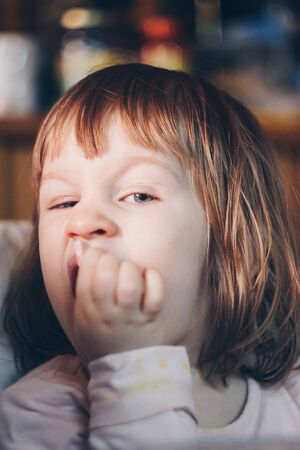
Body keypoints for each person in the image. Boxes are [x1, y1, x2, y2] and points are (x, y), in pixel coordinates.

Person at [0, 63, 299, 449]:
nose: (83, 219)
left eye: (140, 195)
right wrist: (132, 371)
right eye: (64, 202)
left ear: (235, 241)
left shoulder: (288, 393)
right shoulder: (37, 417)